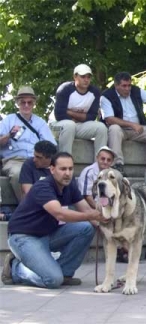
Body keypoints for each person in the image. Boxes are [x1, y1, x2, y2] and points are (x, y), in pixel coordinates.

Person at [2, 152, 104, 288]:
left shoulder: (70, 185)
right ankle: (15, 268)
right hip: (24, 237)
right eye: (63, 169)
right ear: (52, 169)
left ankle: (64, 273)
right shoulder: (43, 187)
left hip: (47, 234)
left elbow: (86, 210)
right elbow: (60, 214)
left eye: (70, 168)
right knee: (53, 280)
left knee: (85, 228)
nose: (67, 173)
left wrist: (106, 227)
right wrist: (92, 215)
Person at [0, 86, 56, 202]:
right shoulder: (8, 120)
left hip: (36, 160)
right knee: (18, 174)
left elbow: (51, 145)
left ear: (33, 104)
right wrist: (9, 135)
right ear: (17, 103)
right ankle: (27, 207)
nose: (26, 105)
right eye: (23, 102)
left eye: (29, 102)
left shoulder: (40, 122)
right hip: (14, 160)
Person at [100, 72, 146, 172]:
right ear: (116, 85)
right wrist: (132, 124)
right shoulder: (106, 96)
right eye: (124, 86)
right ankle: (117, 164)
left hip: (138, 129)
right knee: (114, 128)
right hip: (120, 130)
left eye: (129, 85)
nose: (127, 89)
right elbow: (109, 119)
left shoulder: (136, 91)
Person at [52, 64, 108, 155]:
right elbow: (59, 115)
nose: (86, 80)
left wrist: (69, 112)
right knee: (69, 125)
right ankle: (64, 162)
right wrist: (81, 117)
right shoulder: (65, 89)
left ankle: (99, 165)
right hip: (56, 126)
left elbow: (92, 116)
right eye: (83, 77)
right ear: (75, 76)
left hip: (78, 126)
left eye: (88, 77)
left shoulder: (95, 92)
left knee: (101, 128)